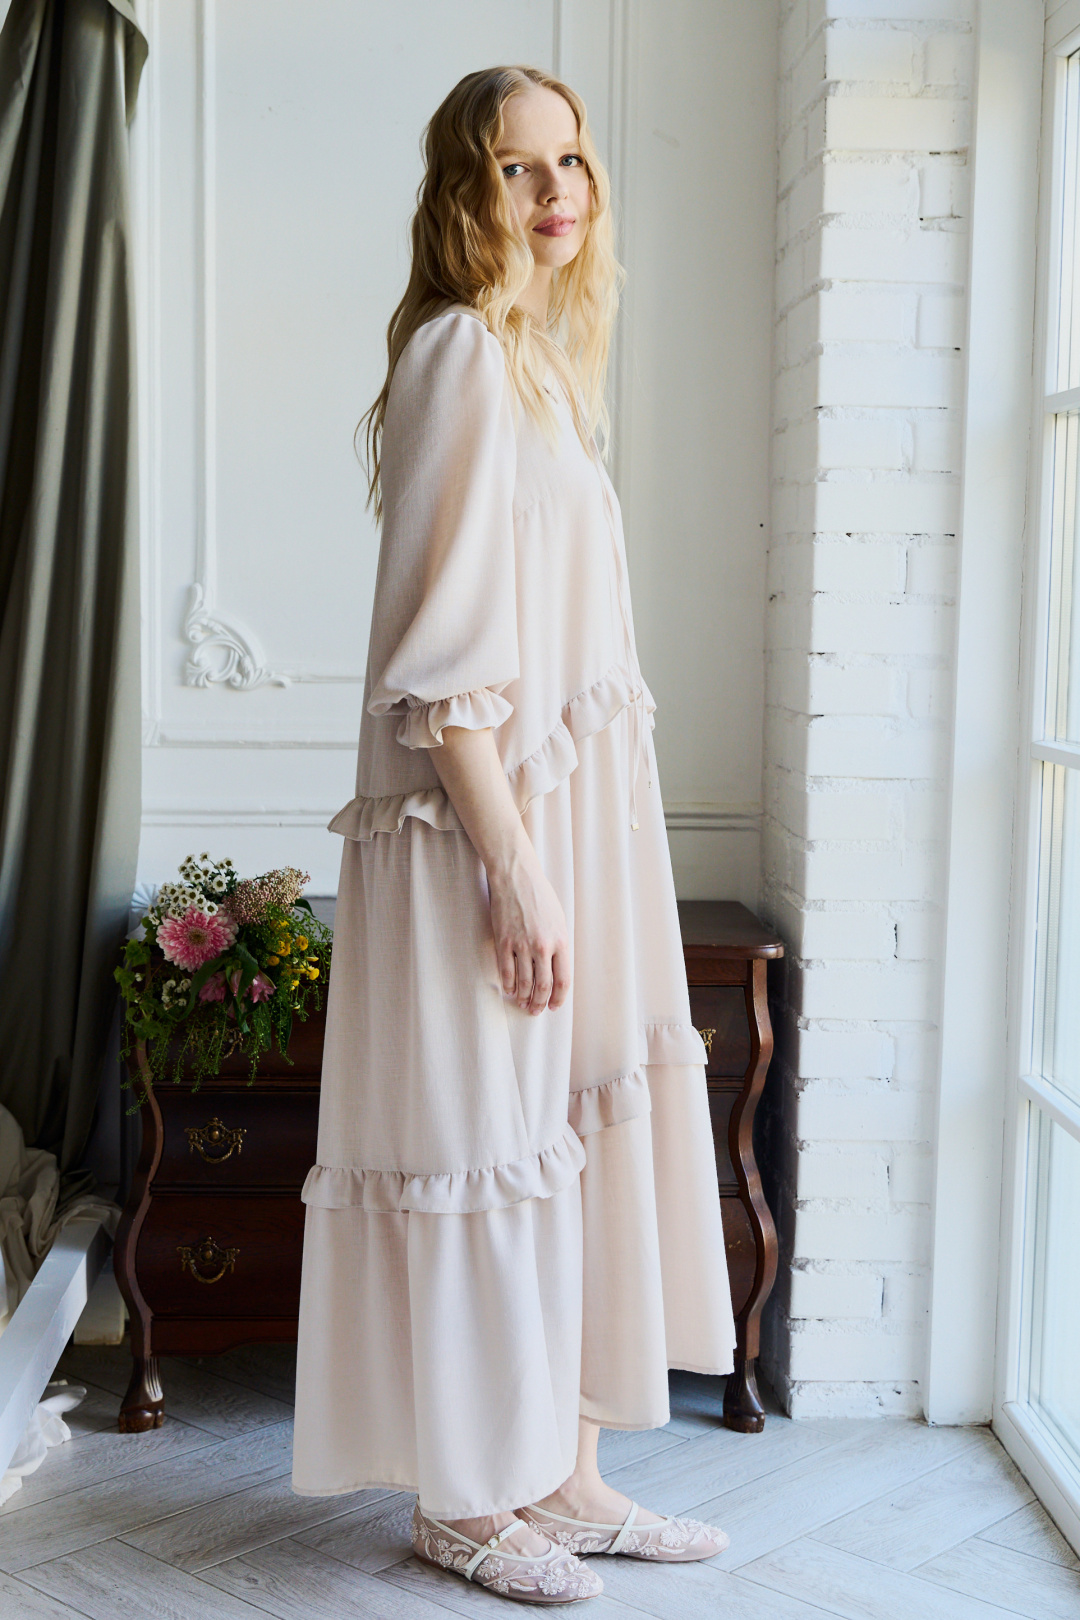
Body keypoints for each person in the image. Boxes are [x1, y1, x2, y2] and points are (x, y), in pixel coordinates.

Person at [291, 63, 736, 1605]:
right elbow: (443, 674)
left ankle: (568, 1477)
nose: (557, 192)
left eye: (572, 161)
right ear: (463, 193)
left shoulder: (543, 364)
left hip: (573, 821)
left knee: (574, 1135)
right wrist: (516, 868)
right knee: (483, 1137)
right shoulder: (460, 358)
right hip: (489, 829)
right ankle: (466, 1500)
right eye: (516, 167)